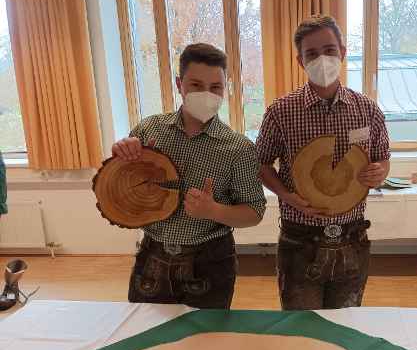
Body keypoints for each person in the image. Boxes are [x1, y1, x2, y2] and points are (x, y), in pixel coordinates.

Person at [112, 43, 266, 309]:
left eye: (215, 87)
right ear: (179, 84)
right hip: (153, 255)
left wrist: (214, 210)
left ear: (225, 88)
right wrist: (121, 153)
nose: (207, 94)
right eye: (196, 85)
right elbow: (122, 185)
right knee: (145, 330)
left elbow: (255, 212)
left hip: (210, 262)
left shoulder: (238, 148)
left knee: (206, 334)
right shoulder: (149, 130)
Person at [256, 15, 390, 310]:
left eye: (329, 50)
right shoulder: (281, 112)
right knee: (302, 326)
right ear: (300, 61)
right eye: (312, 53)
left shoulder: (367, 110)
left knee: (345, 324)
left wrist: (380, 171)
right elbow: (261, 164)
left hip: (352, 236)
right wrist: (286, 195)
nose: (322, 59)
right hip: (300, 240)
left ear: (342, 52)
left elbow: (383, 156)